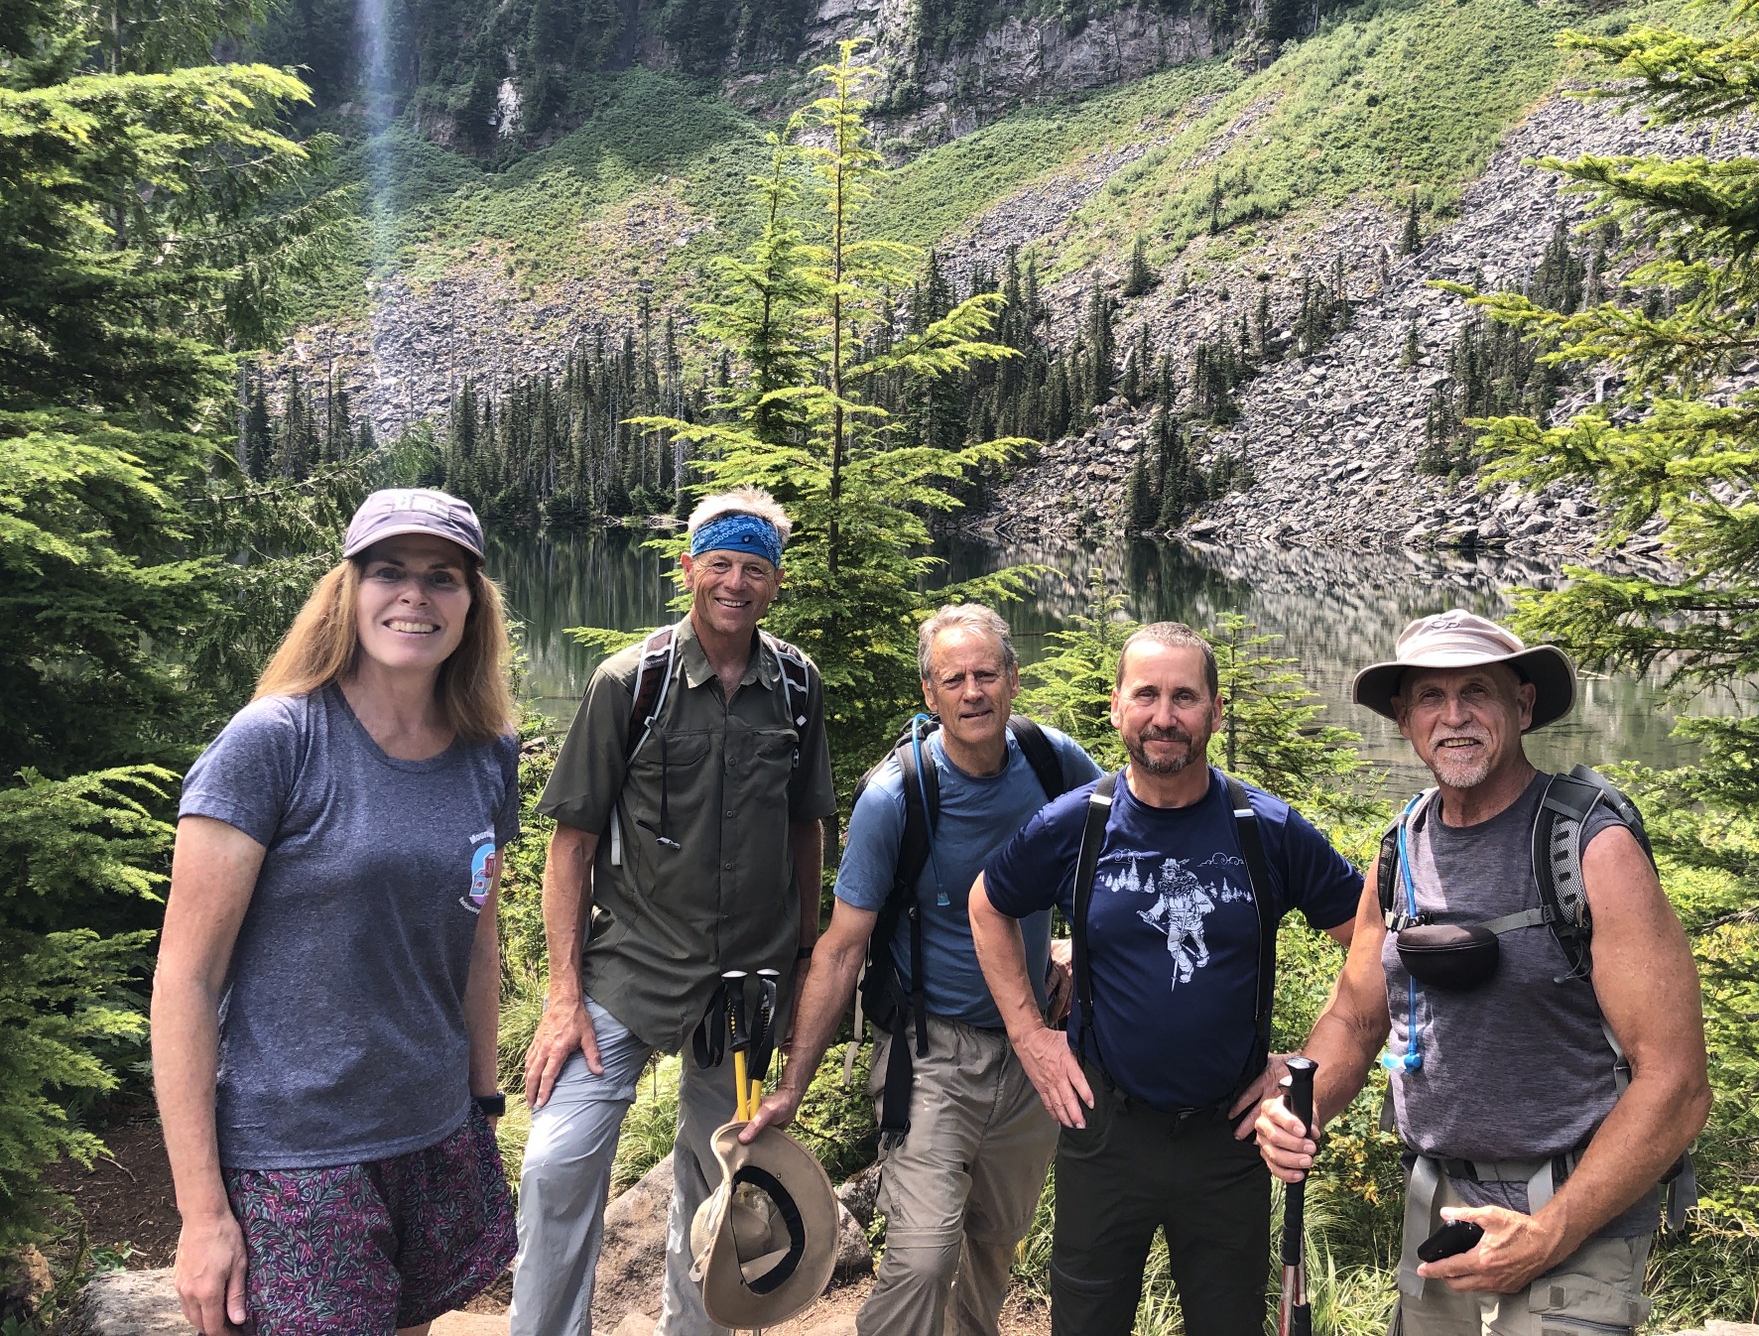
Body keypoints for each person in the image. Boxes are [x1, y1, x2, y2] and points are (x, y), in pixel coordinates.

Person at [1255, 609, 1711, 1336]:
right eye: (1430, 697)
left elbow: (1677, 1081)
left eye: (1477, 692)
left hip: (1575, 1223)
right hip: (1438, 1215)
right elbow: (1357, 1018)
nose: (1454, 716)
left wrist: (1548, 1233)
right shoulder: (1399, 848)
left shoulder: (1590, 846)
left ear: (1522, 706)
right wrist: (1303, 1109)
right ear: (1403, 718)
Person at [156, 488, 519, 1336]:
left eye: (443, 577)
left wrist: (482, 1103)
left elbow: (477, 941)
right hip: (296, 1156)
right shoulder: (274, 742)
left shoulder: (489, 752)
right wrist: (202, 1213)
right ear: (348, 590)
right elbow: (185, 980)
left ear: (473, 603)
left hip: (433, 1134)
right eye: (389, 571)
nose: (415, 595)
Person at [969, 621, 1364, 1336]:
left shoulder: (1265, 829)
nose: (1164, 716)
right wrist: (1029, 1036)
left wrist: (1310, 1065)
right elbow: (987, 904)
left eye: (1184, 697)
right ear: (1117, 706)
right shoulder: (1075, 826)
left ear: (1215, 711)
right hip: (1105, 1130)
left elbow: (1371, 939)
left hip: (1230, 1137)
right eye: (1146, 694)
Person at [512, 487, 835, 1336]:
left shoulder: (797, 686)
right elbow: (572, 846)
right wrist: (561, 994)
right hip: (632, 968)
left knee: (717, 1183)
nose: (736, 583)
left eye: (755, 569)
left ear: (776, 582)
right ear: (689, 568)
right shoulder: (631, 682)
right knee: (555, 1163)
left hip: (748, 981)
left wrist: (805, 957)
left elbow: (806, 827)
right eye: (720, 564)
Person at [741, 604, 1102, 1336]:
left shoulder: (1053, 762)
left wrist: (1077, 946)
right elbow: (842, 948)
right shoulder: (896, 796)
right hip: (931, 1054)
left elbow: (1117, 860)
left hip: (1035, 1052)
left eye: (986, 674)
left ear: (1014, 679)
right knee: (924, 1254)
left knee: (995, 1244)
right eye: (953, 679)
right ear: (930, 694)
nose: (973, 692)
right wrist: (792, 1087)